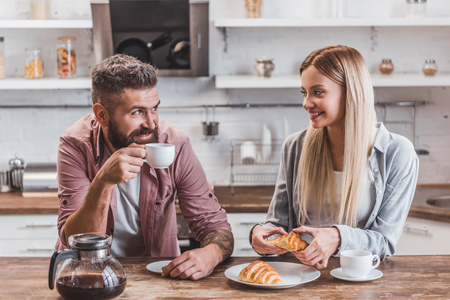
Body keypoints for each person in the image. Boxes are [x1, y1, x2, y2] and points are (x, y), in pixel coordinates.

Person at [55, 54, 234, 280]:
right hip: (87, 274)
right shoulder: (76, 145)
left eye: (155, 109)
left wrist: (210, 254)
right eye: (137, 112)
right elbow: (74, 239)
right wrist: (103, 182)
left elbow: (214, 224)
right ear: (102, 115)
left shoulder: (176, 144)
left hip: (157, 275)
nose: (151, 123)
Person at [251, 45, 419, 269]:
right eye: (304, 92)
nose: (306, 103)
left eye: (318, 92)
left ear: (351, 92)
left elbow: (385, 241)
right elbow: (277, 224)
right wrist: (260, 234)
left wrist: (338, 237)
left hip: (358, 279)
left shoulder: (397, 153)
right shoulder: (295, 147)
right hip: (298, 276)